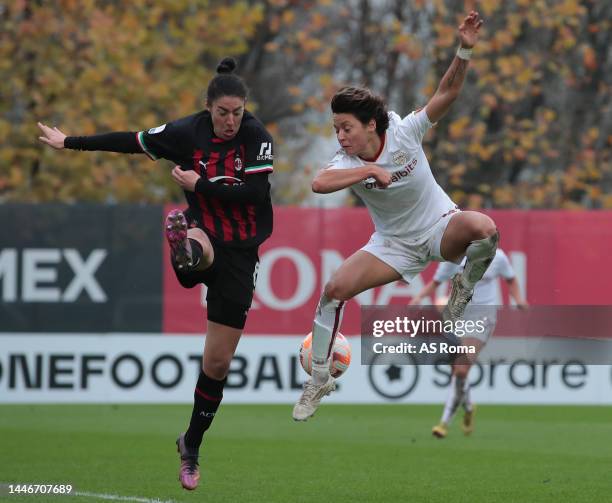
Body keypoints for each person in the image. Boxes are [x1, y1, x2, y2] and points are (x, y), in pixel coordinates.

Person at [37, 58, 274, 491]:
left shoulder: (256, 137)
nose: (230, 120)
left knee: (217, 363)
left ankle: (191, 444)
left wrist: (197, 184)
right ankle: (186, 250)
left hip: (243, 254)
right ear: (208, 108)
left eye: (238, 112)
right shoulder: (188, 132)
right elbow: (132, 140)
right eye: (222, 112)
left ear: (246, 109)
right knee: (200, 249)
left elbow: (256, 192)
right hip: (207, 233)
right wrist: (71, 141)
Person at [292, 11, 498, 421]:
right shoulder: (346, 159)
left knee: (485, 230)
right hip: (392, 245)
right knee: (334, 289)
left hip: (439, 227)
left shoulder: (404, 132)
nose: (341, 136)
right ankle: (318, 378)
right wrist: (368, 170)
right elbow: (318, 184)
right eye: (336, 128)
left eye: (347, 127)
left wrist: (464, 49)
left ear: (372, 125)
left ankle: (464, 286)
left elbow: (447, 94)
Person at [410, 248, 528, 437]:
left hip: (483, 318)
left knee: (461, 369)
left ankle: (444, 422)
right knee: (457, 371)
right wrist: (418, 298)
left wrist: (519, 299)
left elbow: (511, 278)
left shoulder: (497, 257)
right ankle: (470, 407)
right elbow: (436, 282)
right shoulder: (452, 259)